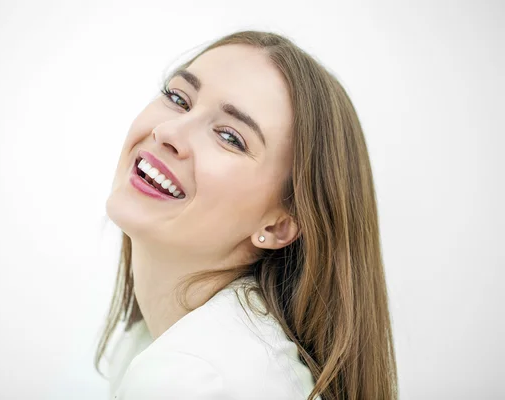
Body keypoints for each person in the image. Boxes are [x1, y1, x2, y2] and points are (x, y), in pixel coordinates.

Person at [94, 30, 398, 400]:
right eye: (178, 98)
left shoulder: (191, 376)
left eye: (230, 137)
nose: (169, 131)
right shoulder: (156, 347)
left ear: (278, 224)